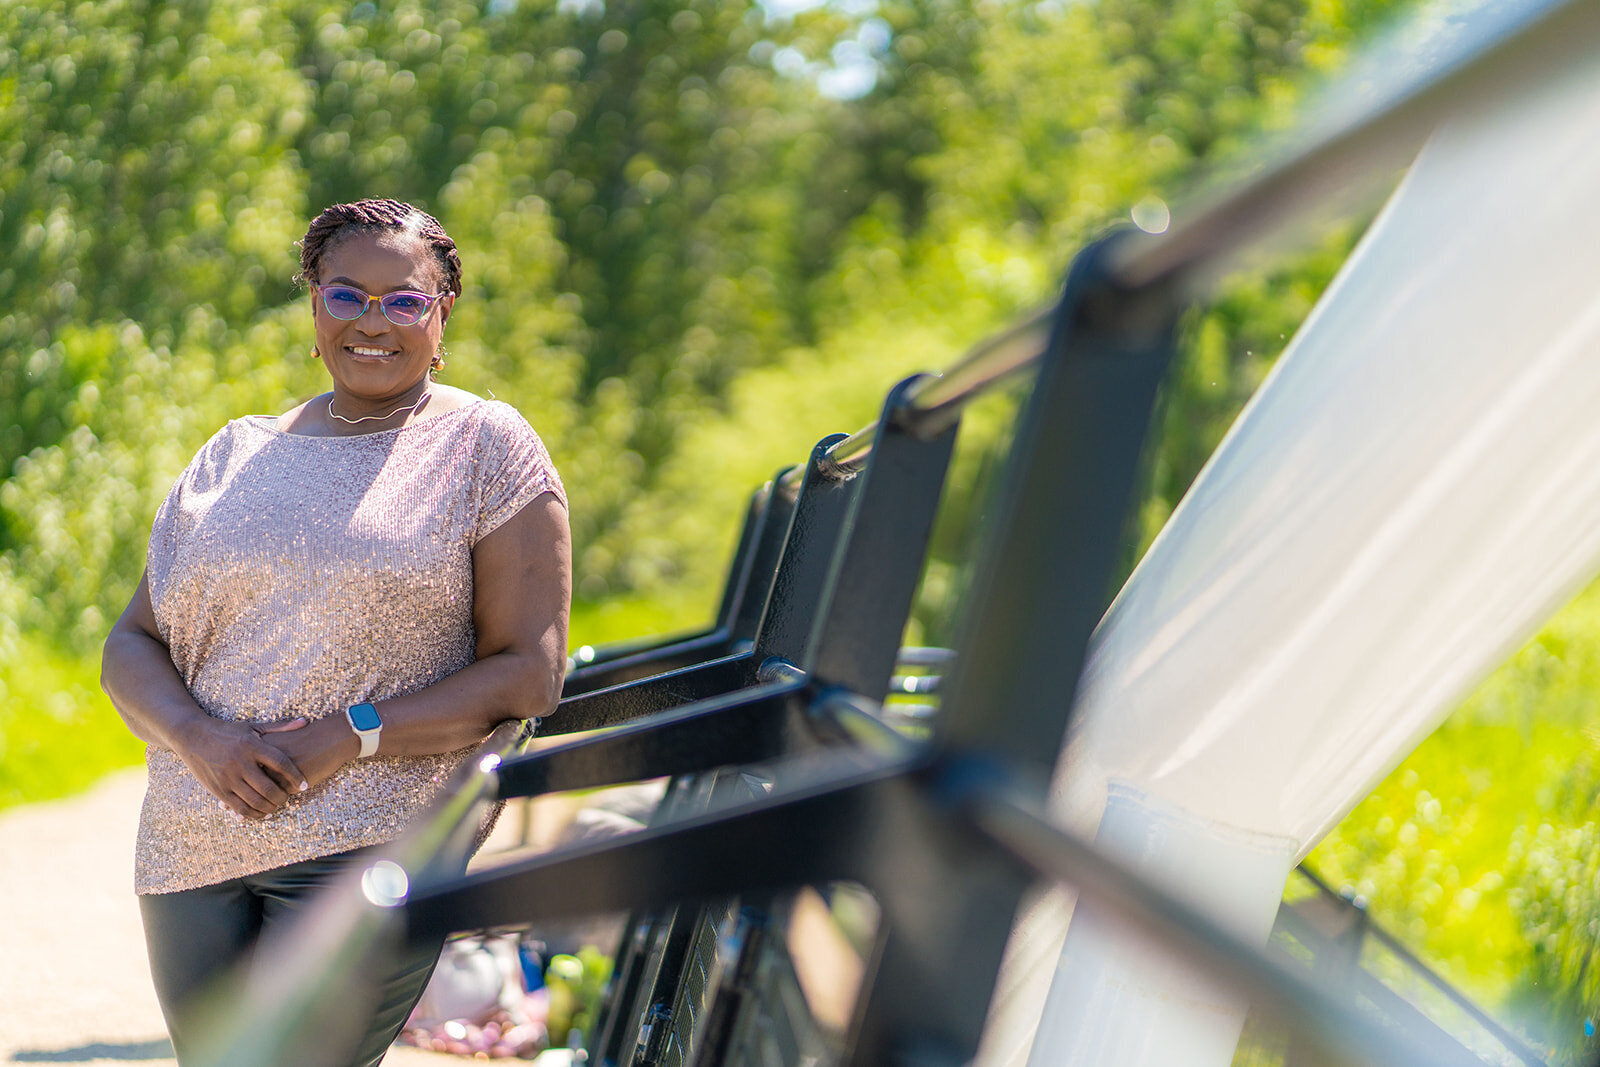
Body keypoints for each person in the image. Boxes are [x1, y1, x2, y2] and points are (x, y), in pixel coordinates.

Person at [99, 198, 571, 1066]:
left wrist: (345, 737)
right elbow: (132, 642)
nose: (373, 322)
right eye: (347, 296)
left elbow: (527, 672)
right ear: (314, 306)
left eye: (405, 301)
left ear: (443, 314)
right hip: (188, 842)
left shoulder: (483, 444)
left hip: (371, 837)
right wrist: (201, 738)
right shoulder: (234, 450)